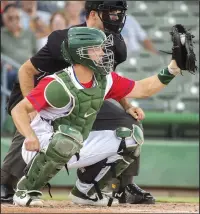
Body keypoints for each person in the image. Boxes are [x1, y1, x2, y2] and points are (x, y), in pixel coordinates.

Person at [1, 1, 155, 205]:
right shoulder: (63, 39)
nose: (116, 18)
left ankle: (119, 186)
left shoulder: (115, 43)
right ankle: (6, 182)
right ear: (93, 14)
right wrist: (33, 110)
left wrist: (127, 105)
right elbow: (26, 71)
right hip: (44, 94)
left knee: (129, 123)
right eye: (110, 12)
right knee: (36, 124)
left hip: (82, 97)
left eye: (119, 13)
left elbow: (107, 78)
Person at [11, 26, 182, 207]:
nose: (103, 52)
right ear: (81, 53)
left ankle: (87, 190)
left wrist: (172, 69)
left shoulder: (104, 79)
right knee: (67, 140)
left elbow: (144, 89)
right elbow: (19, 110)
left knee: (131, 137)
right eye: (97, 48)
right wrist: (29, 136)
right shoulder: (58, 84)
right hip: (40, 145)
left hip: (75, 142)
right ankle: (26, 189)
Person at [1, 4, 37, 91]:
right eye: (10, 18)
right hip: (10, 72)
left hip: (28, 71)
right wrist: (3, 63)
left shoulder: (29, 33)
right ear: (4, 19)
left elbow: (36, 53)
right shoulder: (1, 34)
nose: (14, 21)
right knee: (12, 75)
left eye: (17, 17)